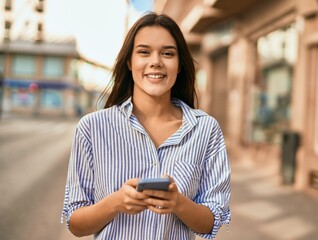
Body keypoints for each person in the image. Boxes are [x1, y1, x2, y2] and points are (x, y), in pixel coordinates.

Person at [62, 12, 231, 240]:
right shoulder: (92, 128)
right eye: (144, 52)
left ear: (179, 65)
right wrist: (116, 202)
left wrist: (178, 203)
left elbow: (211, 223)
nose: (156, 61)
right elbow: (76, 225)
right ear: (130, 62)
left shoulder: (206, 130)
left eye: (168, 53)